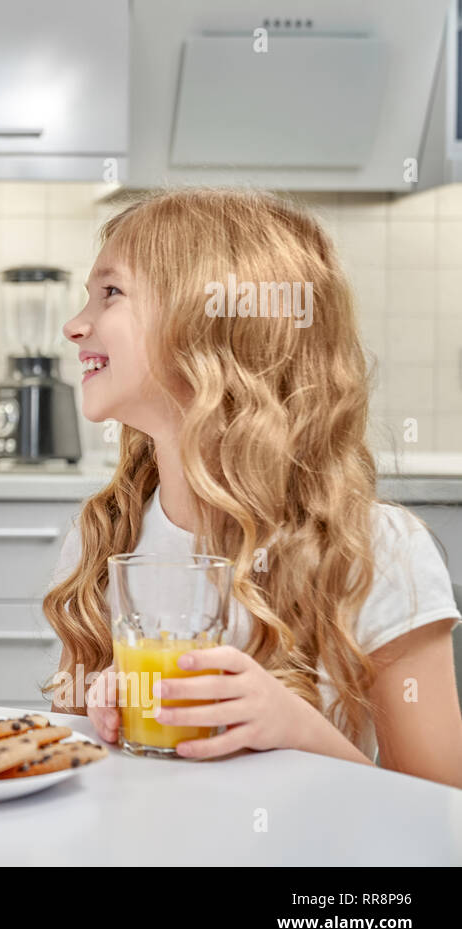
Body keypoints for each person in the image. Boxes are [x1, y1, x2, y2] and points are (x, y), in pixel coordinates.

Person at [44, 188, 462, 787]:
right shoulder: (107, 533)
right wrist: (104, 720)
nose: (74, 325)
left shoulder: (376, 551)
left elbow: (441, 816)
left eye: (111, 293)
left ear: (213, 327)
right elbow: (76, 781)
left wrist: (297, 731)